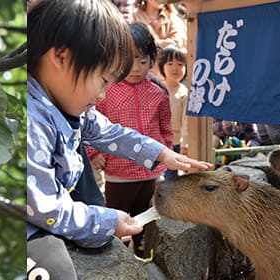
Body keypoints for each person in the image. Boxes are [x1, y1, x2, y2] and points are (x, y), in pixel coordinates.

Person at [27, 1, 213, 279]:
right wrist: (105, 222)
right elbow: (46, 208)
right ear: (62, 57)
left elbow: (111, 132)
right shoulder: (33, 121)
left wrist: (162, 153)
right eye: (103, 80)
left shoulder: (71, 107)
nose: (102, 95)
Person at [86, 22, 172, 257]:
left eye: (143, 61)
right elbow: (89, 126)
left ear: (152, 60)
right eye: (130, 61)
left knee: (147, 215)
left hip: (151, 171)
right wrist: (94, 154)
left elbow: (166, 127)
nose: (136, 68)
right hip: (118, 172)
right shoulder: (106, 90)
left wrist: (166, 153)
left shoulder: (158, 92)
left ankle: (144, 254)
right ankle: (118, 258)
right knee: (117, 216)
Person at [158, 44, 188, 180]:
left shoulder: (184, 93)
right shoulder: (156, 88)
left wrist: (184, 144)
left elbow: (186, 121)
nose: (175, 68)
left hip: (174, 142)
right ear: (162, 66)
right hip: (156, 141)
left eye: (180, 64)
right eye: (170, 63)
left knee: (170, 178)